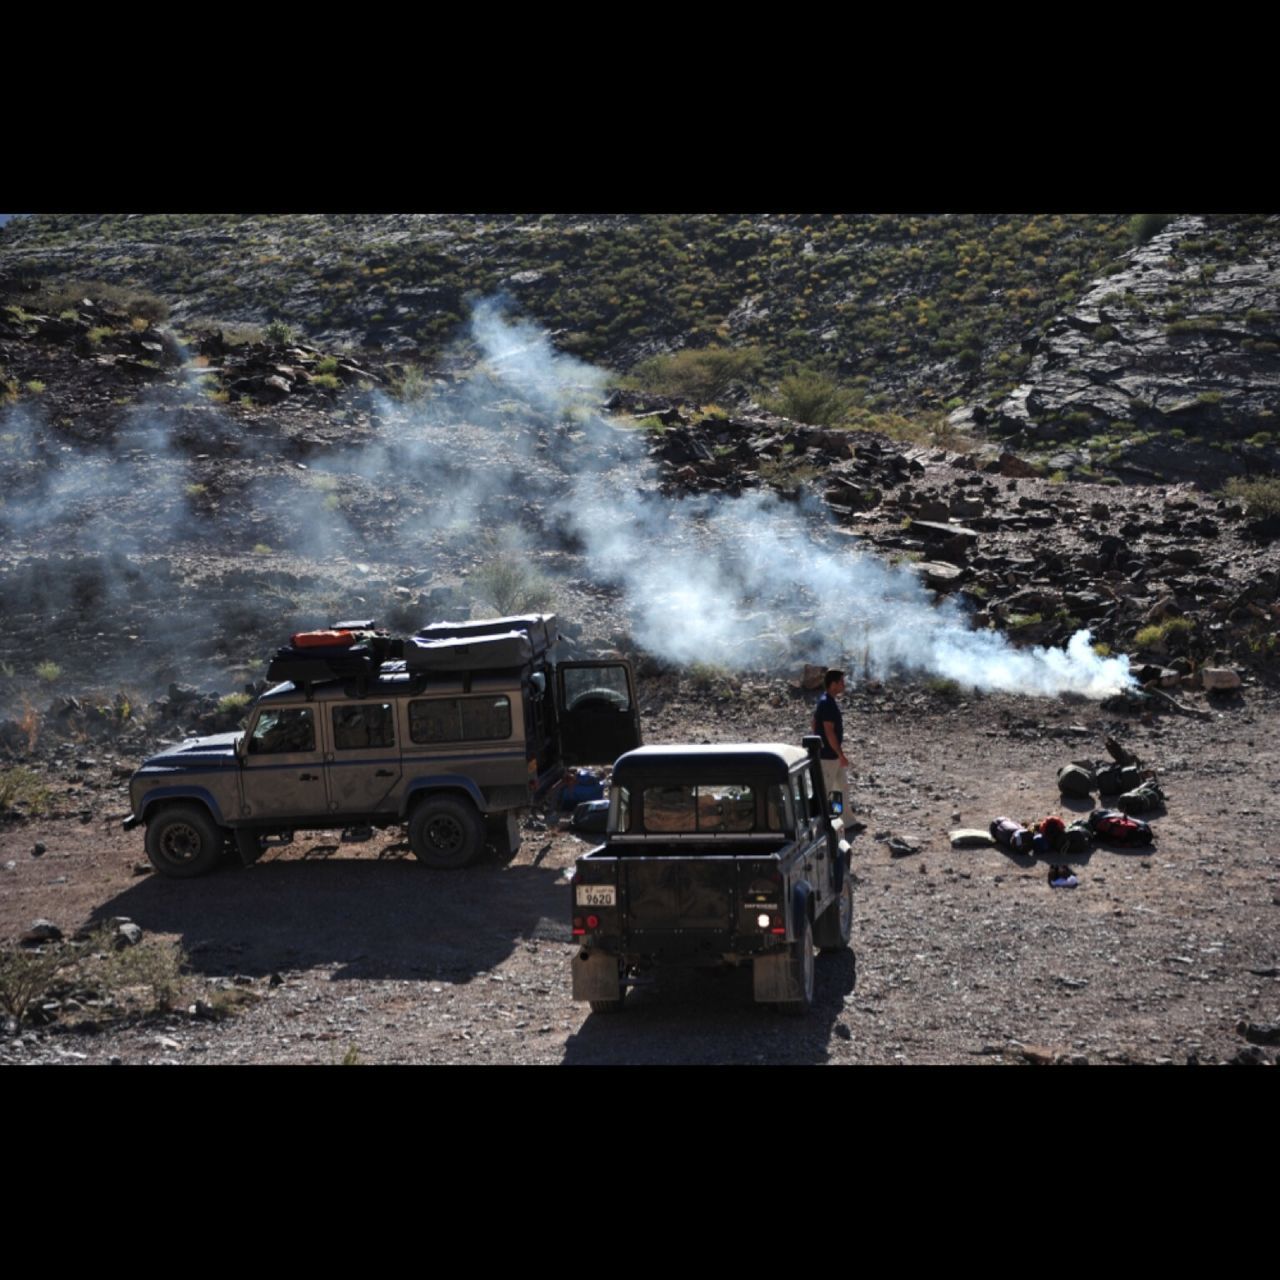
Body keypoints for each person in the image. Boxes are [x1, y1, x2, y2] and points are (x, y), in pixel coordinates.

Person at [812, 668, 849, 811]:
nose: (843, 685)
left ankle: (845, 820)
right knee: (826, 789)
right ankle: (820, 823)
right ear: (833, 684)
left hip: (831, 754)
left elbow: (814, 723)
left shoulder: (826, 701)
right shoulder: (827, 703)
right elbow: (829, 732)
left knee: (841, 788)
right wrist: (840, 755)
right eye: (841, 682)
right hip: (828, 756)